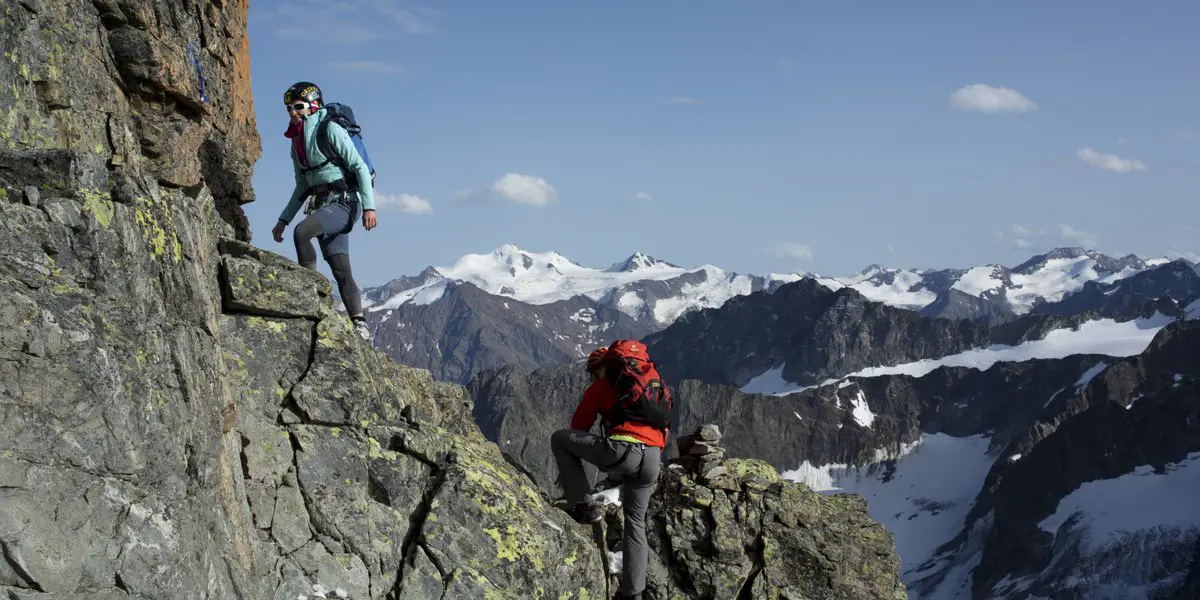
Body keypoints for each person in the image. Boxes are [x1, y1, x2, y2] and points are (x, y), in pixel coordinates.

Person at [551, 343, 670, 600]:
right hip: (652, 459)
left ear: (600, 368)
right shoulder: (650, 385)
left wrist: (570, 472)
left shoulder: (603, 386)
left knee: (559, 439)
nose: (592, 377)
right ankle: (633, 595)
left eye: (592, 372)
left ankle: (585, 508)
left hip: (622, 451)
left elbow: (579, 427)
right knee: (636, 525)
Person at [271, 81, 375, 341]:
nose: (293, 113)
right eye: (289, 109)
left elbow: (360, 168)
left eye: (298, 107)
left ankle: (309, 299)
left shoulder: (330, 129)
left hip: (344, 204)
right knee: (341, 269)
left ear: (313, 105)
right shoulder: (296, 143)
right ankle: (360, 324)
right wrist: (282, 219)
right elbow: (301, 187)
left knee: (302, 232)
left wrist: (369, 207)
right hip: (322, 206)